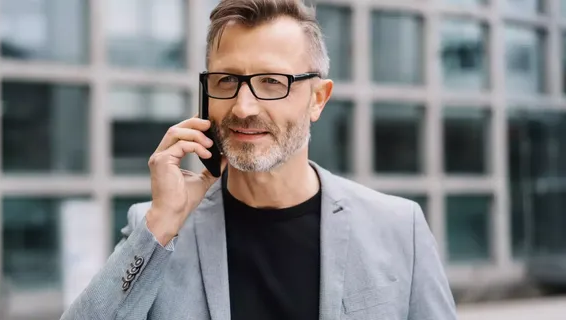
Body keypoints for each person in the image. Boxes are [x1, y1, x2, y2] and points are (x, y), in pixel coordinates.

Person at [61, 0, 457, 319]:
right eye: (227, 81)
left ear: (318, 98)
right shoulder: (158, 231)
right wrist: (163, 224)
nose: (244, 106)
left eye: (272, 81)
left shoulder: (399, 229)